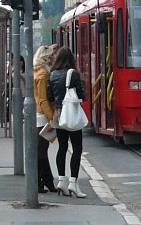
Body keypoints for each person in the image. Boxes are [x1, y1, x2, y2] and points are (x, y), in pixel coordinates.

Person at [47, 46, 86, 198]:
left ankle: (61, 181)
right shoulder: (73, 73)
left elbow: (49, 96)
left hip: (58, 114)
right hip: (71, 114)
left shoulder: (52, 74)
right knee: (76, 148)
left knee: (62, 147)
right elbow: (81, 95)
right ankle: (73, 183)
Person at [33, 45, 57, 193]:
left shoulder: (39, 72)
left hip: (40, 114)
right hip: (42, 115)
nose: (55, 58)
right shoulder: (43, 75)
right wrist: (51, 118)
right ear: (47, 59)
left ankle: (46, 181)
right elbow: (43, 99)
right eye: (52, 56)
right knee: (41, 150)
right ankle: (40, 182)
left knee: (42, 149)